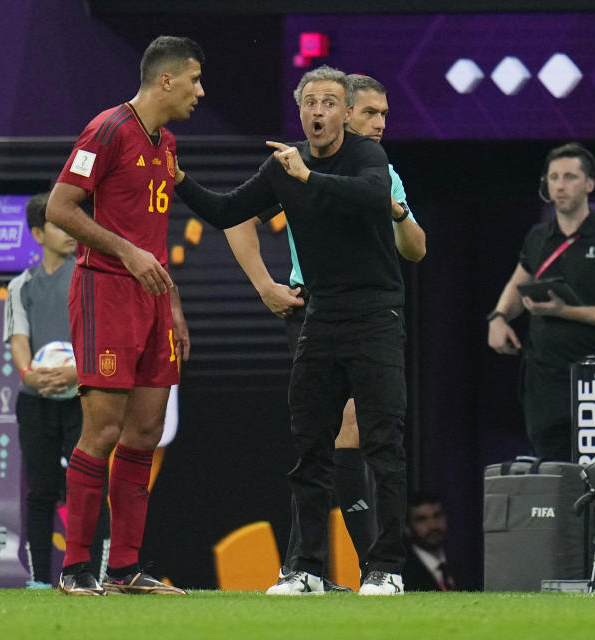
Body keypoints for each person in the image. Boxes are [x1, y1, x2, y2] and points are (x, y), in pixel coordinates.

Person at [174, 65, 408, 596]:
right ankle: (305, 570)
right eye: (311, 103)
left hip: (375, 315)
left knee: (382, 445)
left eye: (330, 102)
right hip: (319, 315)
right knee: (310, 449)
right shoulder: (283, 165)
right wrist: (180, 179)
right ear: (300, 111)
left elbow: (372, 195)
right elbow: (229, 210)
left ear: (345, 113)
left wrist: (308, 178)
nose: (320, 111)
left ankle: (385, 568)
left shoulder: (368, 156)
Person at [45, 35, 200, 597]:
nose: (199, 91)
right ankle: (75, 568)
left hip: (153, 300)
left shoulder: (167, 144)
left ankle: (125, 569)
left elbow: (152, 237)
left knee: (145, 432)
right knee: (103, 430)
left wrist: (173, 303)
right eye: (194, 80)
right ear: (166, 80)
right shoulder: (107, 129)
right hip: (106, 290)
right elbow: (61, 208)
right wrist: (127, 253)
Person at [486, 143, 595, 461]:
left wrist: (565, 311)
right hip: (544, 383)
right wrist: (499, 318)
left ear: (589, 184)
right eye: (553, 177)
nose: (559, 185)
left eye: (570, 176)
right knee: (552, 474)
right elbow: (519, 284)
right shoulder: (538, 238)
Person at [4, 192, 108, 589]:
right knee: (41, 491)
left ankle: (95, 576)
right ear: (37, 233)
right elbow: (17, 340)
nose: (70, 232)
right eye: (59, 224)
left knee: (90, 489)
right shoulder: (20, 286)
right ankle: (38, 581)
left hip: (82, 400)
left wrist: (76, 372)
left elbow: (99, 338)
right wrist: (30, 375)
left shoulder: (89, 279)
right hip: (36, 403)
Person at [402, 493, 461, 591]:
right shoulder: (403, 573)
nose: (433, 526)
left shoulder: (462, 561)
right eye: (421, 519)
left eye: (437, 516)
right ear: (407, 528)